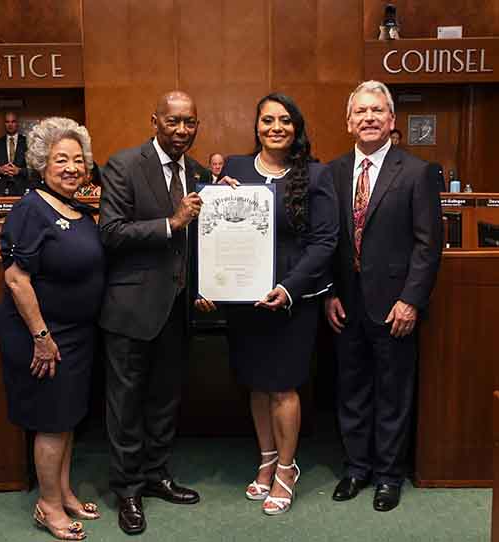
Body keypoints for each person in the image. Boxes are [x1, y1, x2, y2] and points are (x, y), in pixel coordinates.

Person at [196, 93, 339, 515]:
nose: (275, 127)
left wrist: (290, 287)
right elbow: (211, 228)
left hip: (293, 299)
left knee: (283, 385)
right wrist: (214, 200)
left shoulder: (316, 174)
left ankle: (287, 469)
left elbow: (325, 241)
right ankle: (267, 458)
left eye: (284, 120)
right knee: (257, 382)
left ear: (297, 127)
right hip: (245, 298)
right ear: (256, 126)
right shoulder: (236, 169)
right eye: (267, 120)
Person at [325, 80, 442, 512]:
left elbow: (428, 245)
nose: (369, 118)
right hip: (345, 302)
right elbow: (328, 241)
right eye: (361, 112)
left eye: (378, 111)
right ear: (348, 121)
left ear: (392, 121)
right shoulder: (333, 172)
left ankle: (389, 475)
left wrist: (411, 299)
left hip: (395, 304)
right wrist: (328, 294)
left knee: (392, 392)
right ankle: (357, 468)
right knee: (350, 389)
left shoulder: (416, 171)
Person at [99, 90, 207, 535]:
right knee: (126, 404)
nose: (182, 130)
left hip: (178, 310)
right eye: (174, 121)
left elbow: (203, 240)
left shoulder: (197, 173)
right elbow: (111, 232)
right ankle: (128, 489)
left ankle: (157, 475)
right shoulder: (124, 165)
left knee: (165, 399)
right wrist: (172, 223)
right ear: (155, 121)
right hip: (131, 309)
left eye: (190, 122)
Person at [0, 117, 105, 540]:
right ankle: (48, 505)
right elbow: (16, 279)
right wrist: (42, 338)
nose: (72, 168)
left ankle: (63, 491)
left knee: (67, 418)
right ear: (42, 164)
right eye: (61, 160)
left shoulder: (75, 208)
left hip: (76, 334)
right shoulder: (30, 209)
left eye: (79, 160)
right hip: (43, 335)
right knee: (51, 419)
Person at [0, 111, 29, 196]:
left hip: (22, 189)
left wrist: (19, 171)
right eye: (7, 122)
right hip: (1, 190)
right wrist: (0, 169)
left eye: (13, 121)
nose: (10, 124)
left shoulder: (28, 143)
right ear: (4, 124)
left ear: (17, 123)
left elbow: (34, 169)